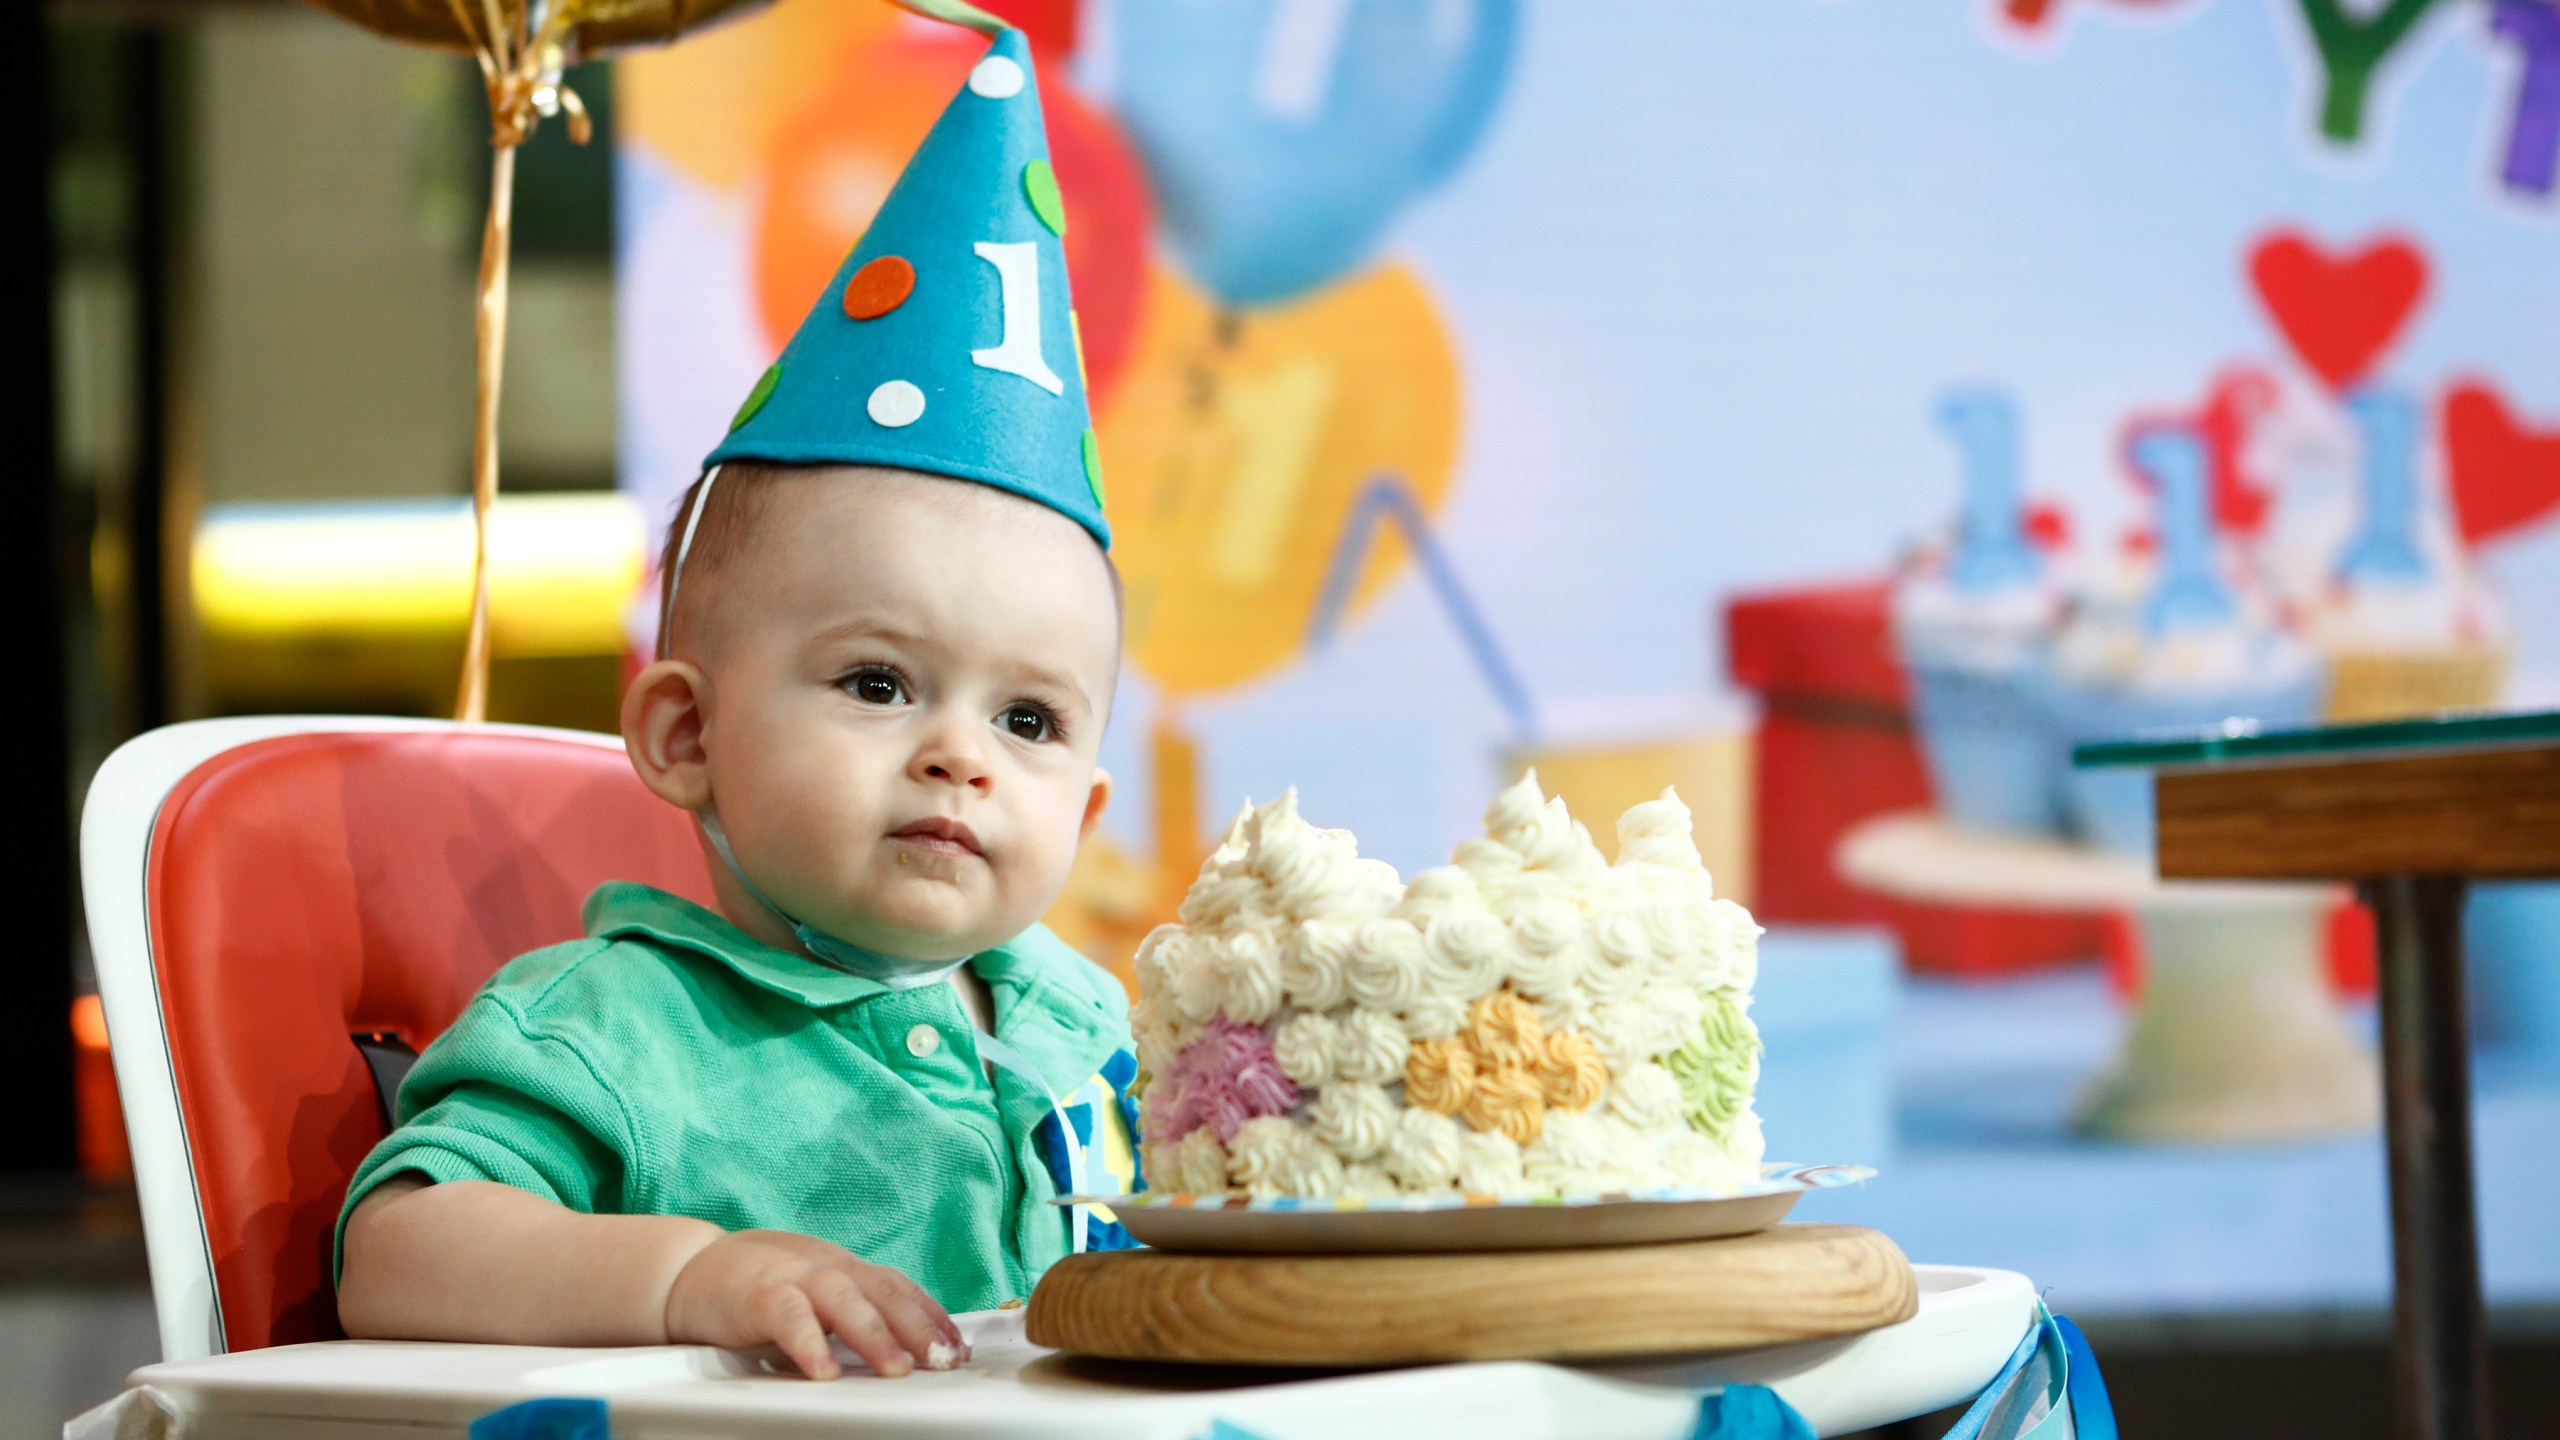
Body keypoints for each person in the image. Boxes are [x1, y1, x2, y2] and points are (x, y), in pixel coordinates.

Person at [334, 23, 1139, 1382]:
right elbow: (396, 1254)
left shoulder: (1094, 1024)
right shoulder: (614, 1024)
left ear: (1091, 802)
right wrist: (689, 1275)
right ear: (686, 734)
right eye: (881, 684)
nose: (961, 758)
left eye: (1031, 723)